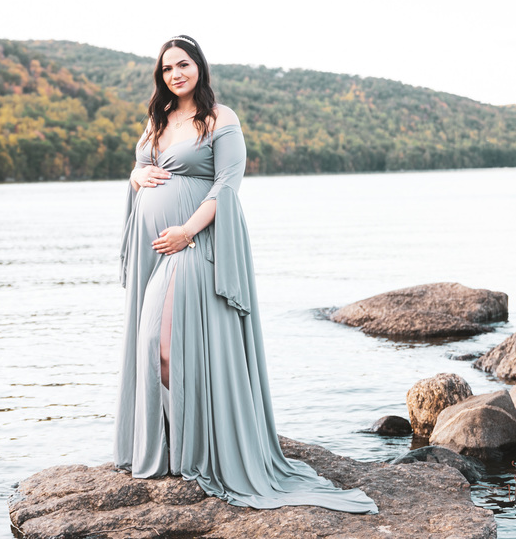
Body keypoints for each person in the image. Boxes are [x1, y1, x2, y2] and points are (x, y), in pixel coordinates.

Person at [113, 34, 378, 513]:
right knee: (151, 345)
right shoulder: (157, 120)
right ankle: (170, 447)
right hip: (156, 249)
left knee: (169, 348)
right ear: (161, 76)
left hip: (197, 244)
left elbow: (227, 187)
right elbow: (139, 168)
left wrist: (186, 233)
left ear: (200, 68)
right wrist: (135, 177)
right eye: (168, 68)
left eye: (184, 64)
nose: (176, 74)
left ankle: (202, 449)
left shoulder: (220, 118)